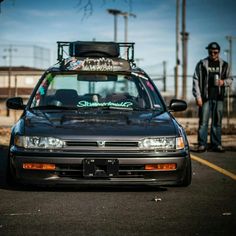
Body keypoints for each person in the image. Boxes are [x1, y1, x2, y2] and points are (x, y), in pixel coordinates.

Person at [192, 42, 233, 152]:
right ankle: (202, 145)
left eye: (215, 52)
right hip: (205, 98)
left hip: (219, 97)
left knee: (217, 122)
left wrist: (223, 82)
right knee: (203, 122)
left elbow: (230, 79)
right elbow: (195, 79)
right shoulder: (202, 64)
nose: (213, 54)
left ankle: (216, 145)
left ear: (218, 52)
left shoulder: (225, 65)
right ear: (208, 51)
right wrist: (198, 96)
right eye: (210, 52)